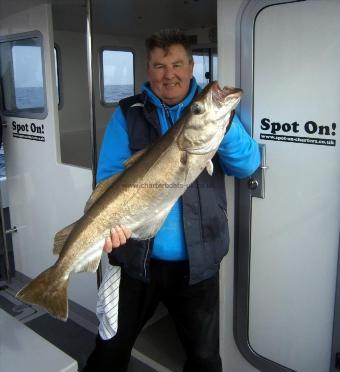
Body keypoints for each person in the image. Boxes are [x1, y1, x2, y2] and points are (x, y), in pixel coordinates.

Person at [84, 29, 260, 372]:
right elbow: (107, 180)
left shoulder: (215, 115)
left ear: (191, 67)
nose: (169, 73)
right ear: (148, 71)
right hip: (134, 261)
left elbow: (247, 165)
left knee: (205, 360)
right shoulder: (127, 114)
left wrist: (218, 126)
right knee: (109, 352)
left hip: (197, 265)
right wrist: (110, 228)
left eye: (177, 64)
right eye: (160, 65)